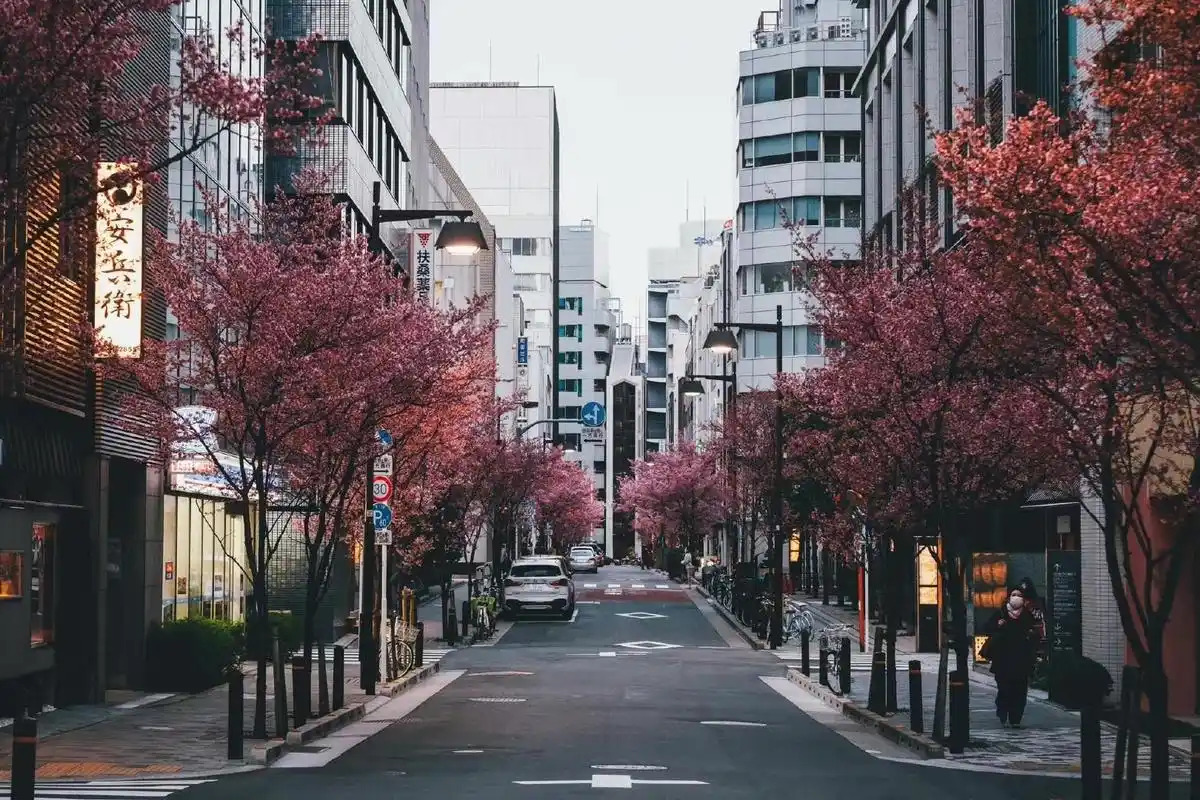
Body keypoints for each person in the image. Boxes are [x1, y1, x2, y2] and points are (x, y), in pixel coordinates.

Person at [983, 587, 1039, 728]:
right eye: (1013, 595)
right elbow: (987, 628)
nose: (1016, 597)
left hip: (1022, 660)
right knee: (1004, 689)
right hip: (1003, 660)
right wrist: (997, 625)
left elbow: (1036, 634)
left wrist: (1032, 634)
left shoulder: (1027, 615)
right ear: (1008, 597)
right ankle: (1002, 711)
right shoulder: (1000, 613)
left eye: (1019, 595)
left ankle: (1015, 719)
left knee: (1020, 692)